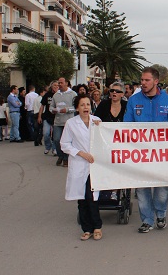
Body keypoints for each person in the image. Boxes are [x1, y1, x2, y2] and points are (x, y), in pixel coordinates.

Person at [124, 67, 168, 233]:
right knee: (142, 189)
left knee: (161, 190)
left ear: (156, 81)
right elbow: (125, 126)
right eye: (142, 80)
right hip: (140, 153)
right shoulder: (133, 100)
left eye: (147, 80)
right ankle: (147, 220)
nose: (143, 83)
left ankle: (161, 215)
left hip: (162, 154)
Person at [60, 93, 103, 241]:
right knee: (82, 199)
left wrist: (101, 128)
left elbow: (104, 140)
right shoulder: (71, 123)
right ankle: (86, 229)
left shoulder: (97, 121)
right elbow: (65, 144)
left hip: (94, 165)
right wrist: (81, 154)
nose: (86, 107)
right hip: (79, 163)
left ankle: (97, 227)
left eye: (88, 104)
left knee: (92, 197)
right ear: (77, 107)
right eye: (82, 105)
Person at [50, 78, 77, 167]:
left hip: (68, 122)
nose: (59, 84)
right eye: (58, 83)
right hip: (58, 121)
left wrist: (67, 109)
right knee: (56, 139)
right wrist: (53, 110)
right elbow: (51, 107)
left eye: (61, 83)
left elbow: (76, 107)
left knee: (67, 141)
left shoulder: (72, 94)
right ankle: (60, 155)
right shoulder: (56, 95)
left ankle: (66, 158)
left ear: (66, 83)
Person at [38, 81, 58, 155]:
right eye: (54, 85)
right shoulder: (47, 95)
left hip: (56, 117)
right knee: (46, 133)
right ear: (51, 86)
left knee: (55, 135)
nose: (56, 86)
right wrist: (39, 116)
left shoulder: (59, 95)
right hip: (47, 117)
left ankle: (54, 148)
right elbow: (42, 106)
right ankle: (47, 146)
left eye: (57, 85)